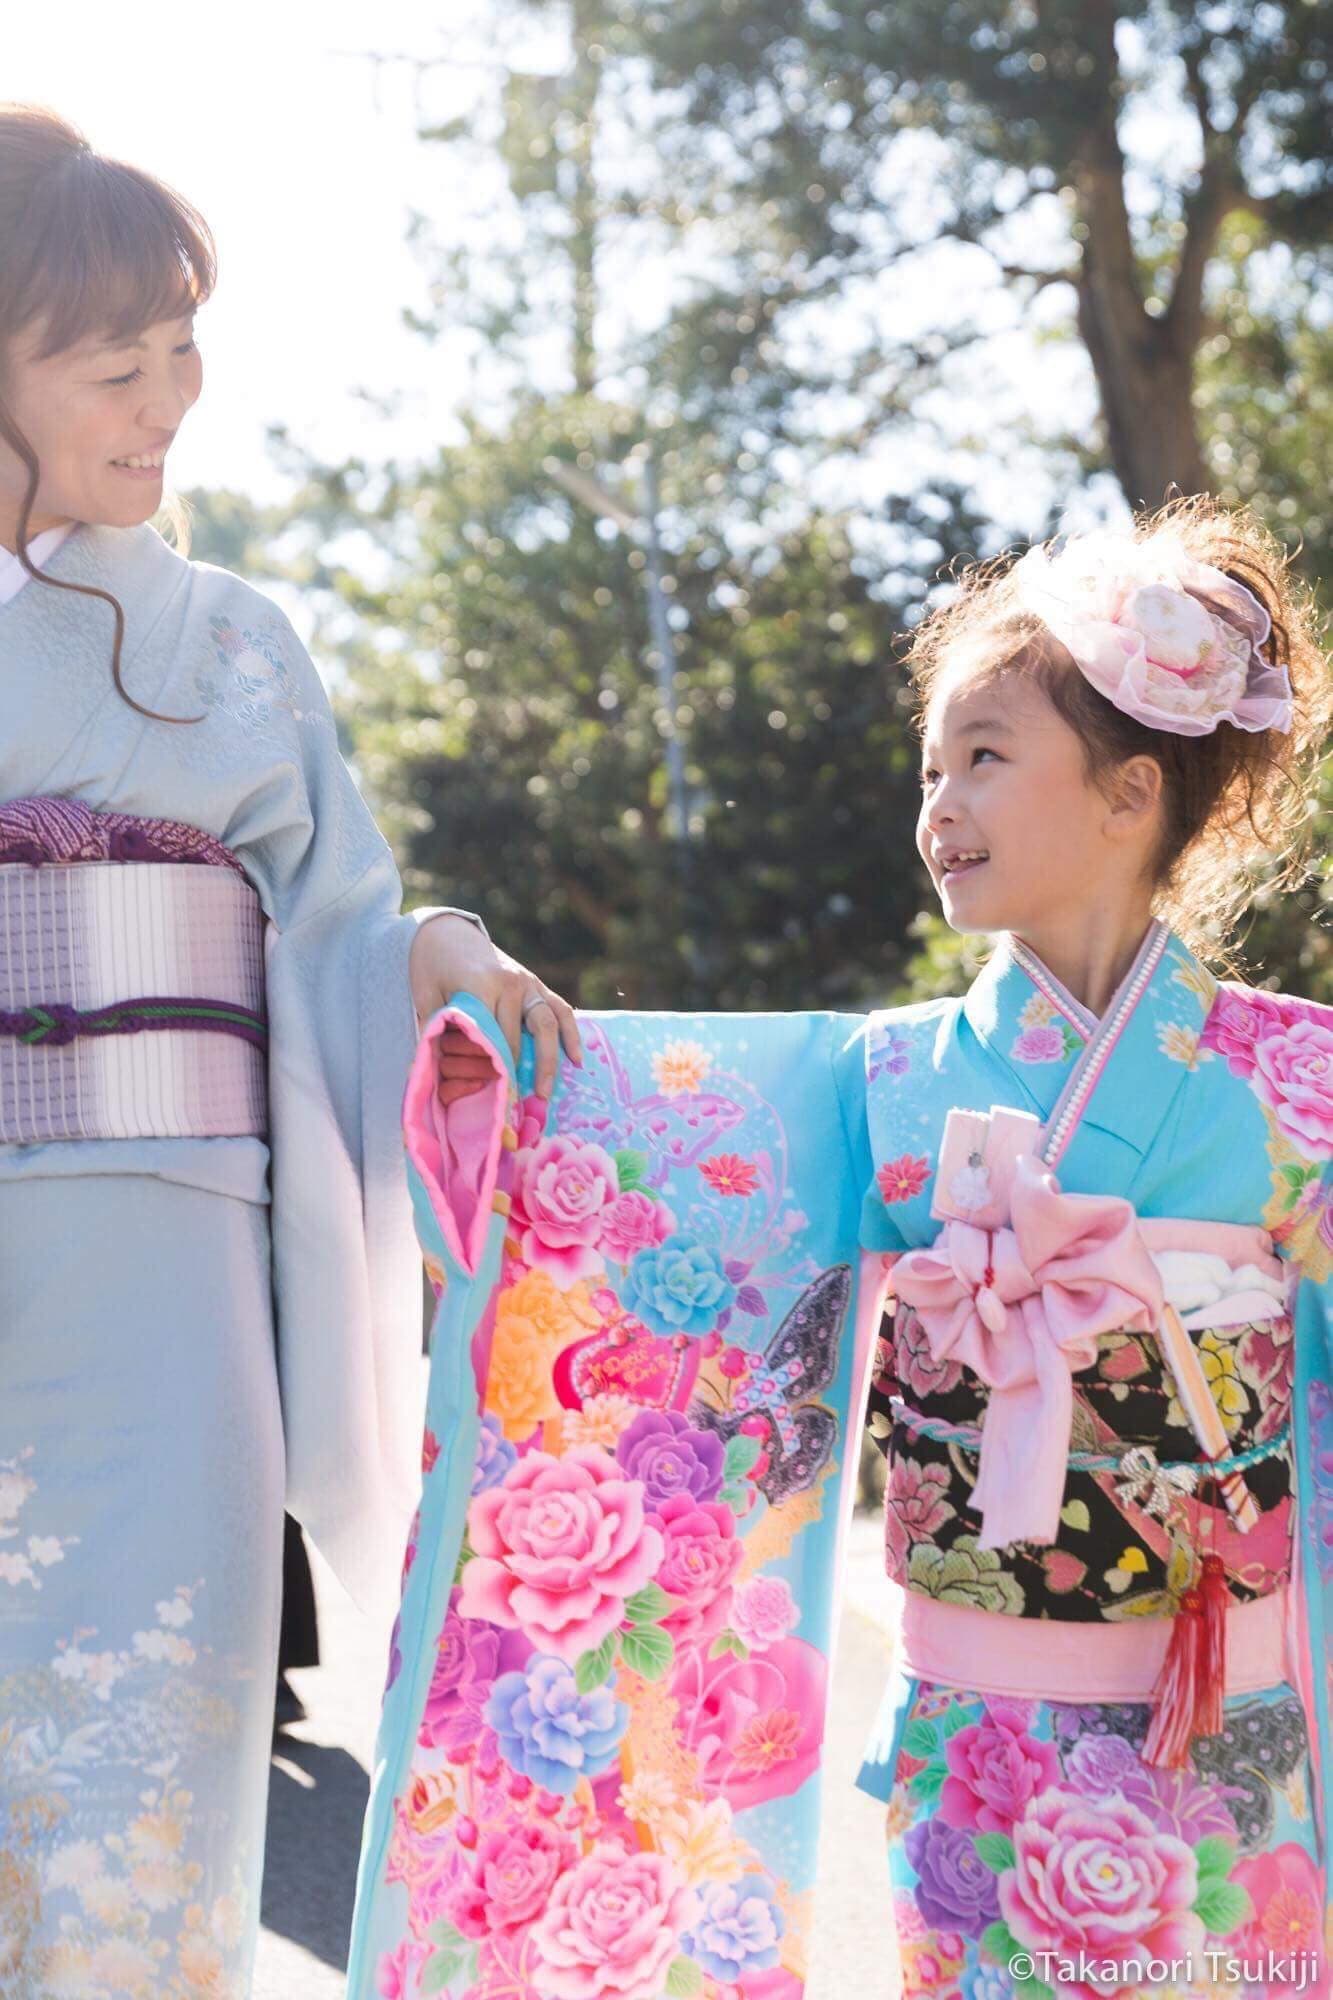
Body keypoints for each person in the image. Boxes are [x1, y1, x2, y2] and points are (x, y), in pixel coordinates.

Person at [416, 497, 1333, 1998]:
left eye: (983, 757)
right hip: (975, 1719)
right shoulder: (881, 1079)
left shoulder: (1297, 1077)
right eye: (928, 768)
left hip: (1220, 1706)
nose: (937, 804)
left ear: (1129, 794)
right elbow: (657, 1194)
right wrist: (453, 970)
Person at [0, 103, 578, 1991]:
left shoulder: (231, 645)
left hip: (159, 1276)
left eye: (183, 350)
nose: (170, 401)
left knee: (140, 1756)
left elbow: (331, 932)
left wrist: (428, 954)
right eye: (115, 366)